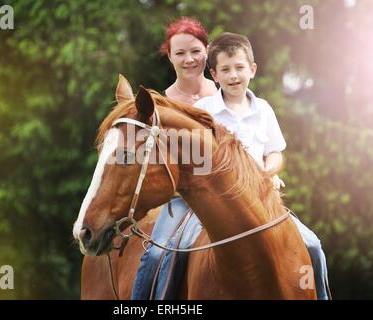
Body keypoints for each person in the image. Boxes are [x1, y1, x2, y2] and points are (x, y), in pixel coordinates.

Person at [193, 32, 331, 300]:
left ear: (252, 70)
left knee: (313, 245)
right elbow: (197, 164)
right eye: (226, 70)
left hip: (262, 201)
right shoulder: (203, 111)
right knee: (172, 252)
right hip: (217, 205)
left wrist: (268, 173)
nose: (234, 76)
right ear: (214, 74)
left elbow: (276, 153)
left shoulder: (264, 109)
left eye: (239, 68)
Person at [130, 17, 216, 300]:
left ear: (207, 50)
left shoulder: (225, 93)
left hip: (225, 196)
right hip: (180, 201)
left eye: (195, 51)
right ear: (169, 56)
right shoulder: (161, 106)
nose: (189, 59)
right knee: (155, 256)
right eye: (180, 53)